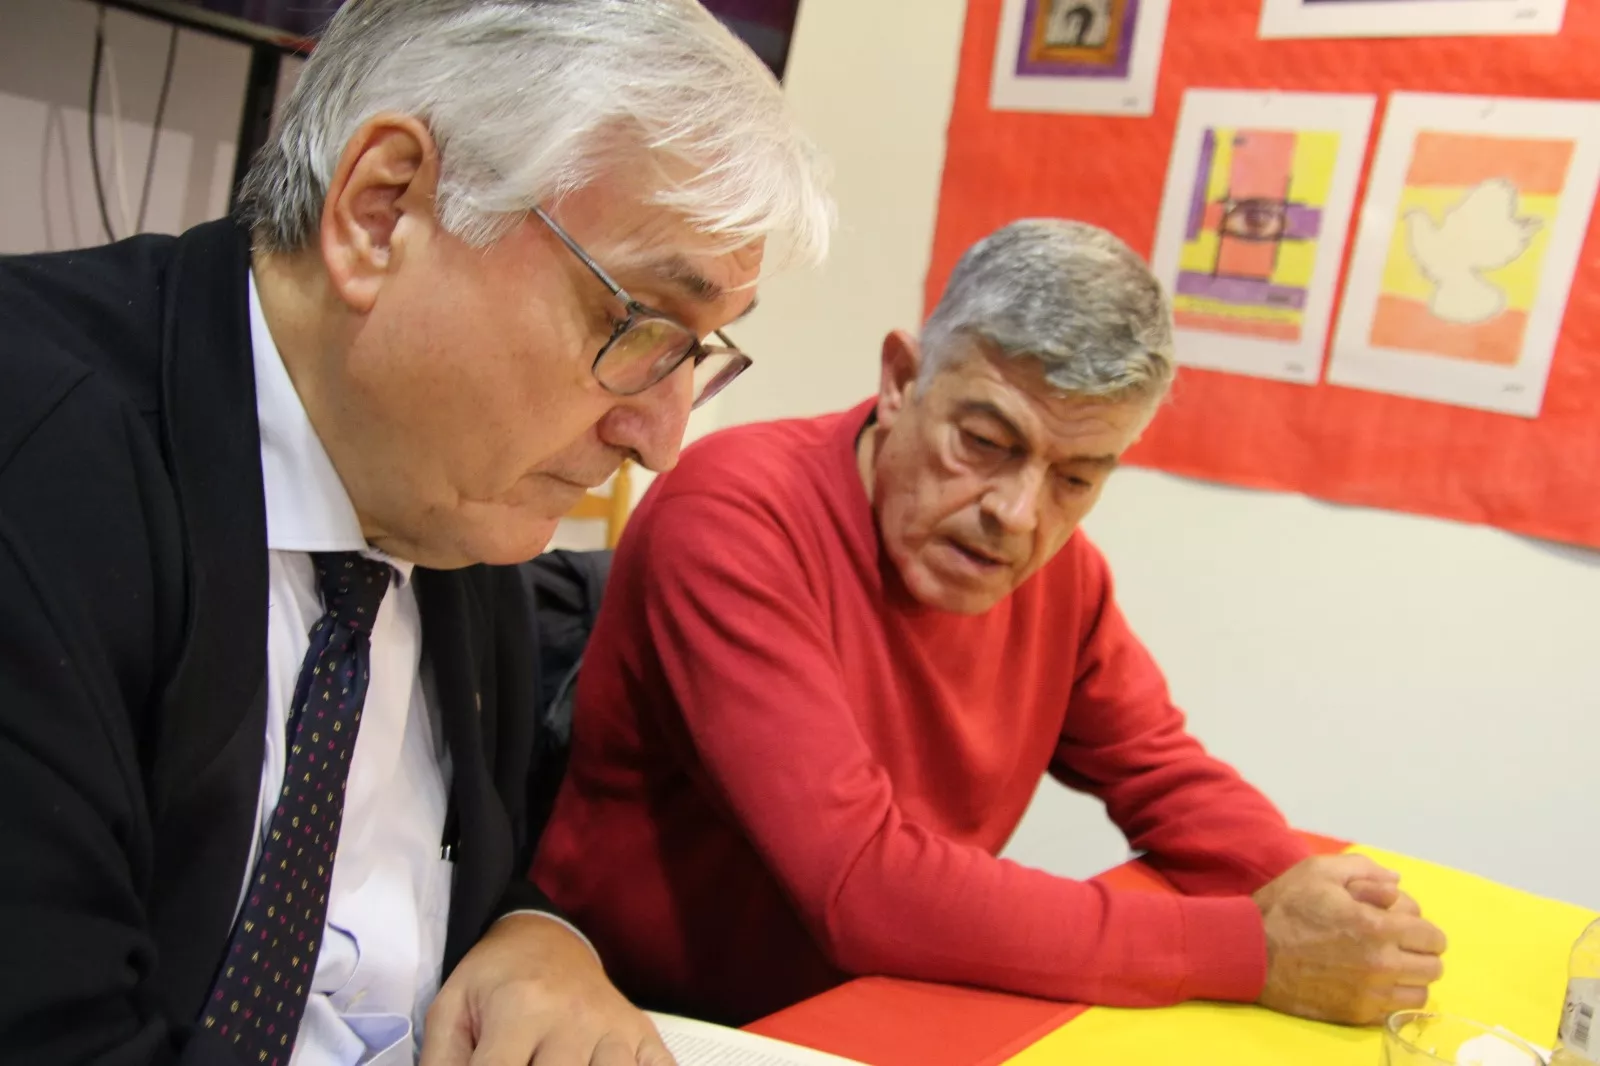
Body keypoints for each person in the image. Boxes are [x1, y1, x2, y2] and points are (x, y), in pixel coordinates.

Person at [0, 1, 831, 1063]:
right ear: (381, 210)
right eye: (639, 325)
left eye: (697, 352)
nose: (661, 439)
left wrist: (541, 933)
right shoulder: (37, 465)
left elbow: (400, 869)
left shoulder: (446, 500)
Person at [531, 219, 1448, 1027]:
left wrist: (1311, 898)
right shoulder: (735, 516)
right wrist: (1253, 951)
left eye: (1077, 477)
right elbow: (864, 885)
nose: (1017, 512)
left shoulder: (1063, 578)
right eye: (985, 443)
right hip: (645, 1019)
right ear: (900, 379)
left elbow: (1163, 773)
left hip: (888, 1006)